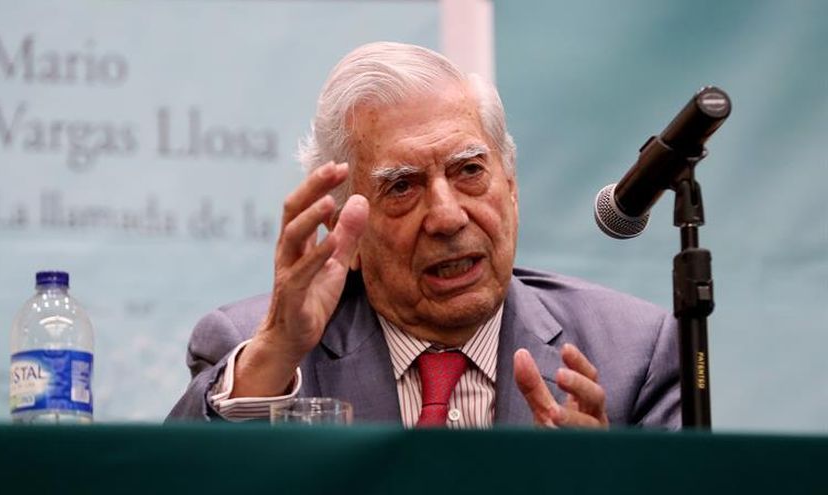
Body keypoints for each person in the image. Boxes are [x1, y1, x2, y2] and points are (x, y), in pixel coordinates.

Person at [167, 42, 680, 428]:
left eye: (469, 171)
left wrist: (602, 479)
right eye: (402, 186)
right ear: (343, 231)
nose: (447, 217)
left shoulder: (634, 354)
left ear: (511, 188)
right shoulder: (256, 353)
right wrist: (276, 351)